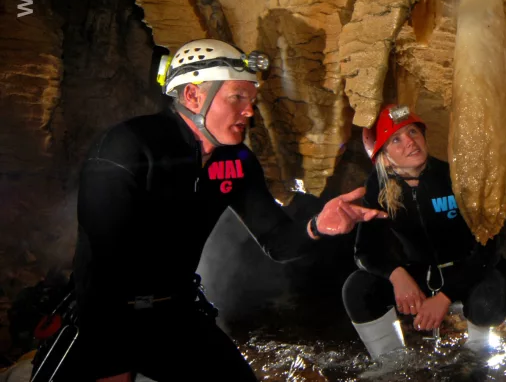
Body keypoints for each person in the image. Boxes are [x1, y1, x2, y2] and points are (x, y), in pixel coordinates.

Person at [52, 39, 387, 382]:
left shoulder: (236, 161)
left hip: (176, 312)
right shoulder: (128, 147)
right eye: (237, 97)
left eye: (251, 99)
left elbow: (278, 242)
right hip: (110, 313)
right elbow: (101, 264)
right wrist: (111, 362)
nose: (249, 111)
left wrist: (317, 226)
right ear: (194, 96)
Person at [341, 104, 506, 358]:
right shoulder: (378, 187)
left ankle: (478, 357)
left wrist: (445, 296)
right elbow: (364, 251)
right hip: (420, 273)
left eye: (413, 132)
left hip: (469, 269)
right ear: (383, 156)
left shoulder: (454, 178)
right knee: (357, 288)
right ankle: (390, 363)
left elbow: (489, 246)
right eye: (396, 139)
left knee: (487, 299)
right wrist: (397, 275)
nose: (410, 142)